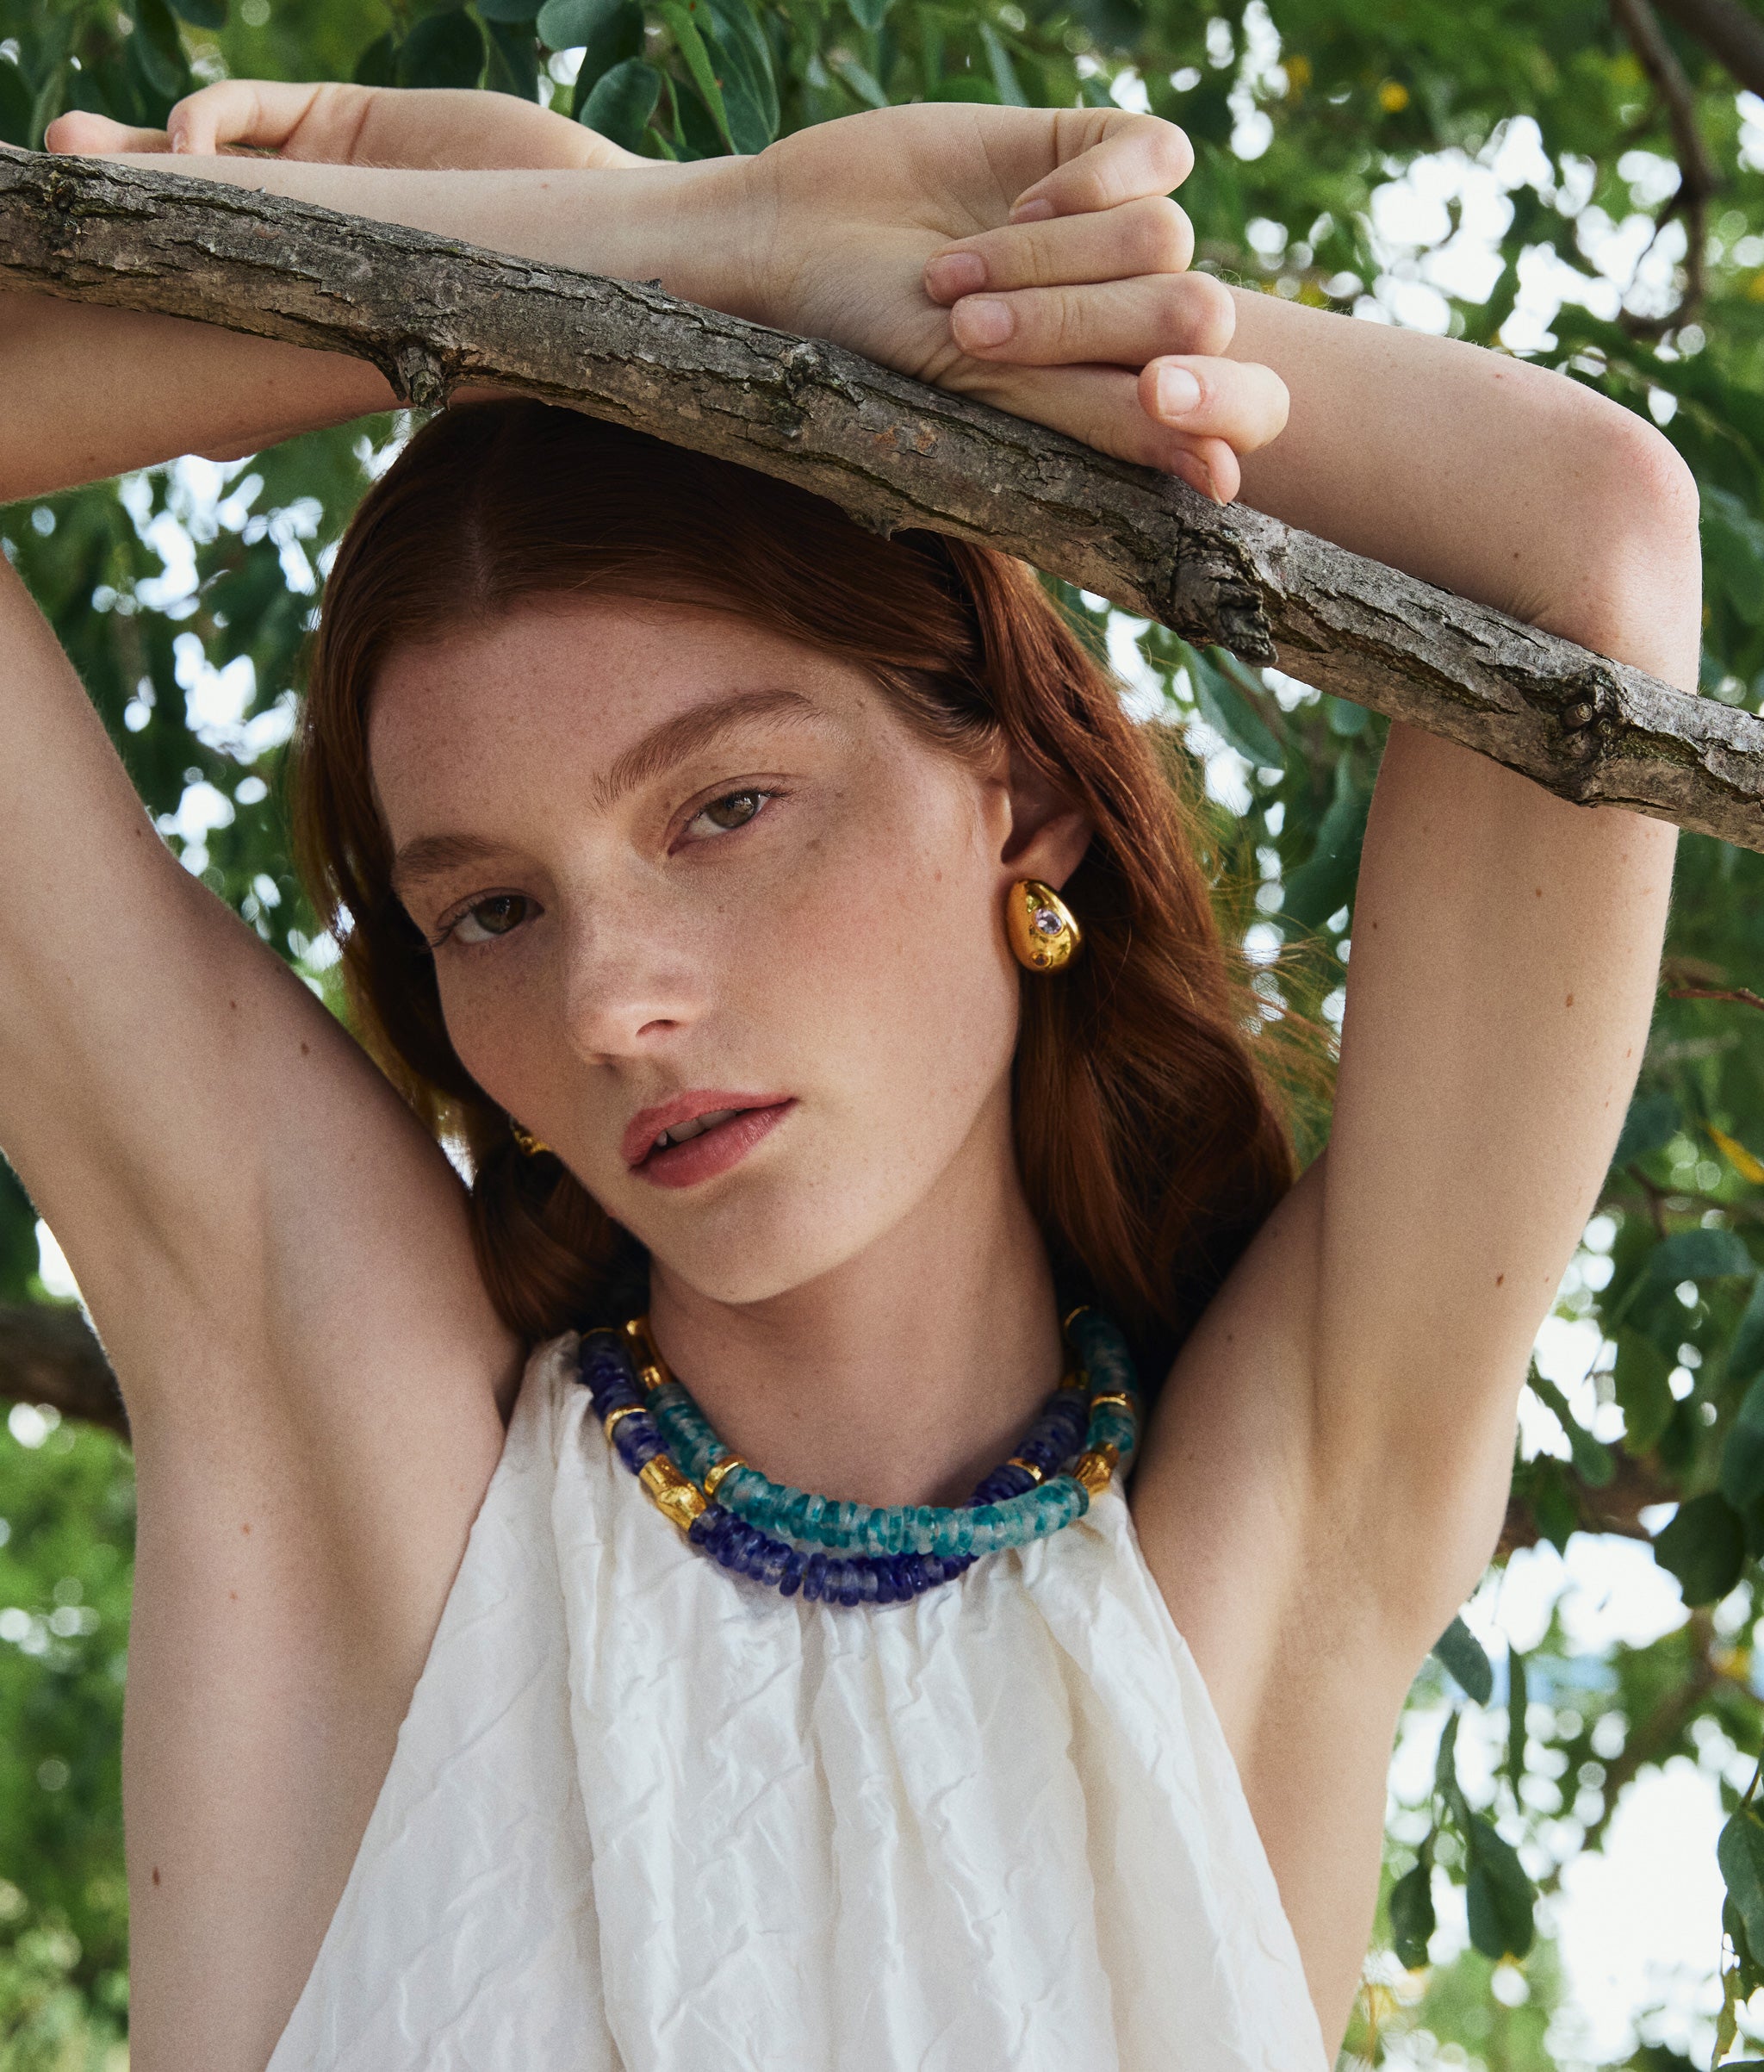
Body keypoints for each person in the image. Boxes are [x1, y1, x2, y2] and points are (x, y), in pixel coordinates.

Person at [0, 77, 1695, 2072]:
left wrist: (837, 328)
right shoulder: (369, 1485)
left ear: (1031, 796)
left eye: (726, 806)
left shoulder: (1260, 1570)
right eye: (489, 912)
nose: (614, 1005)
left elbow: (1582, 551)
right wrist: (694, 241)